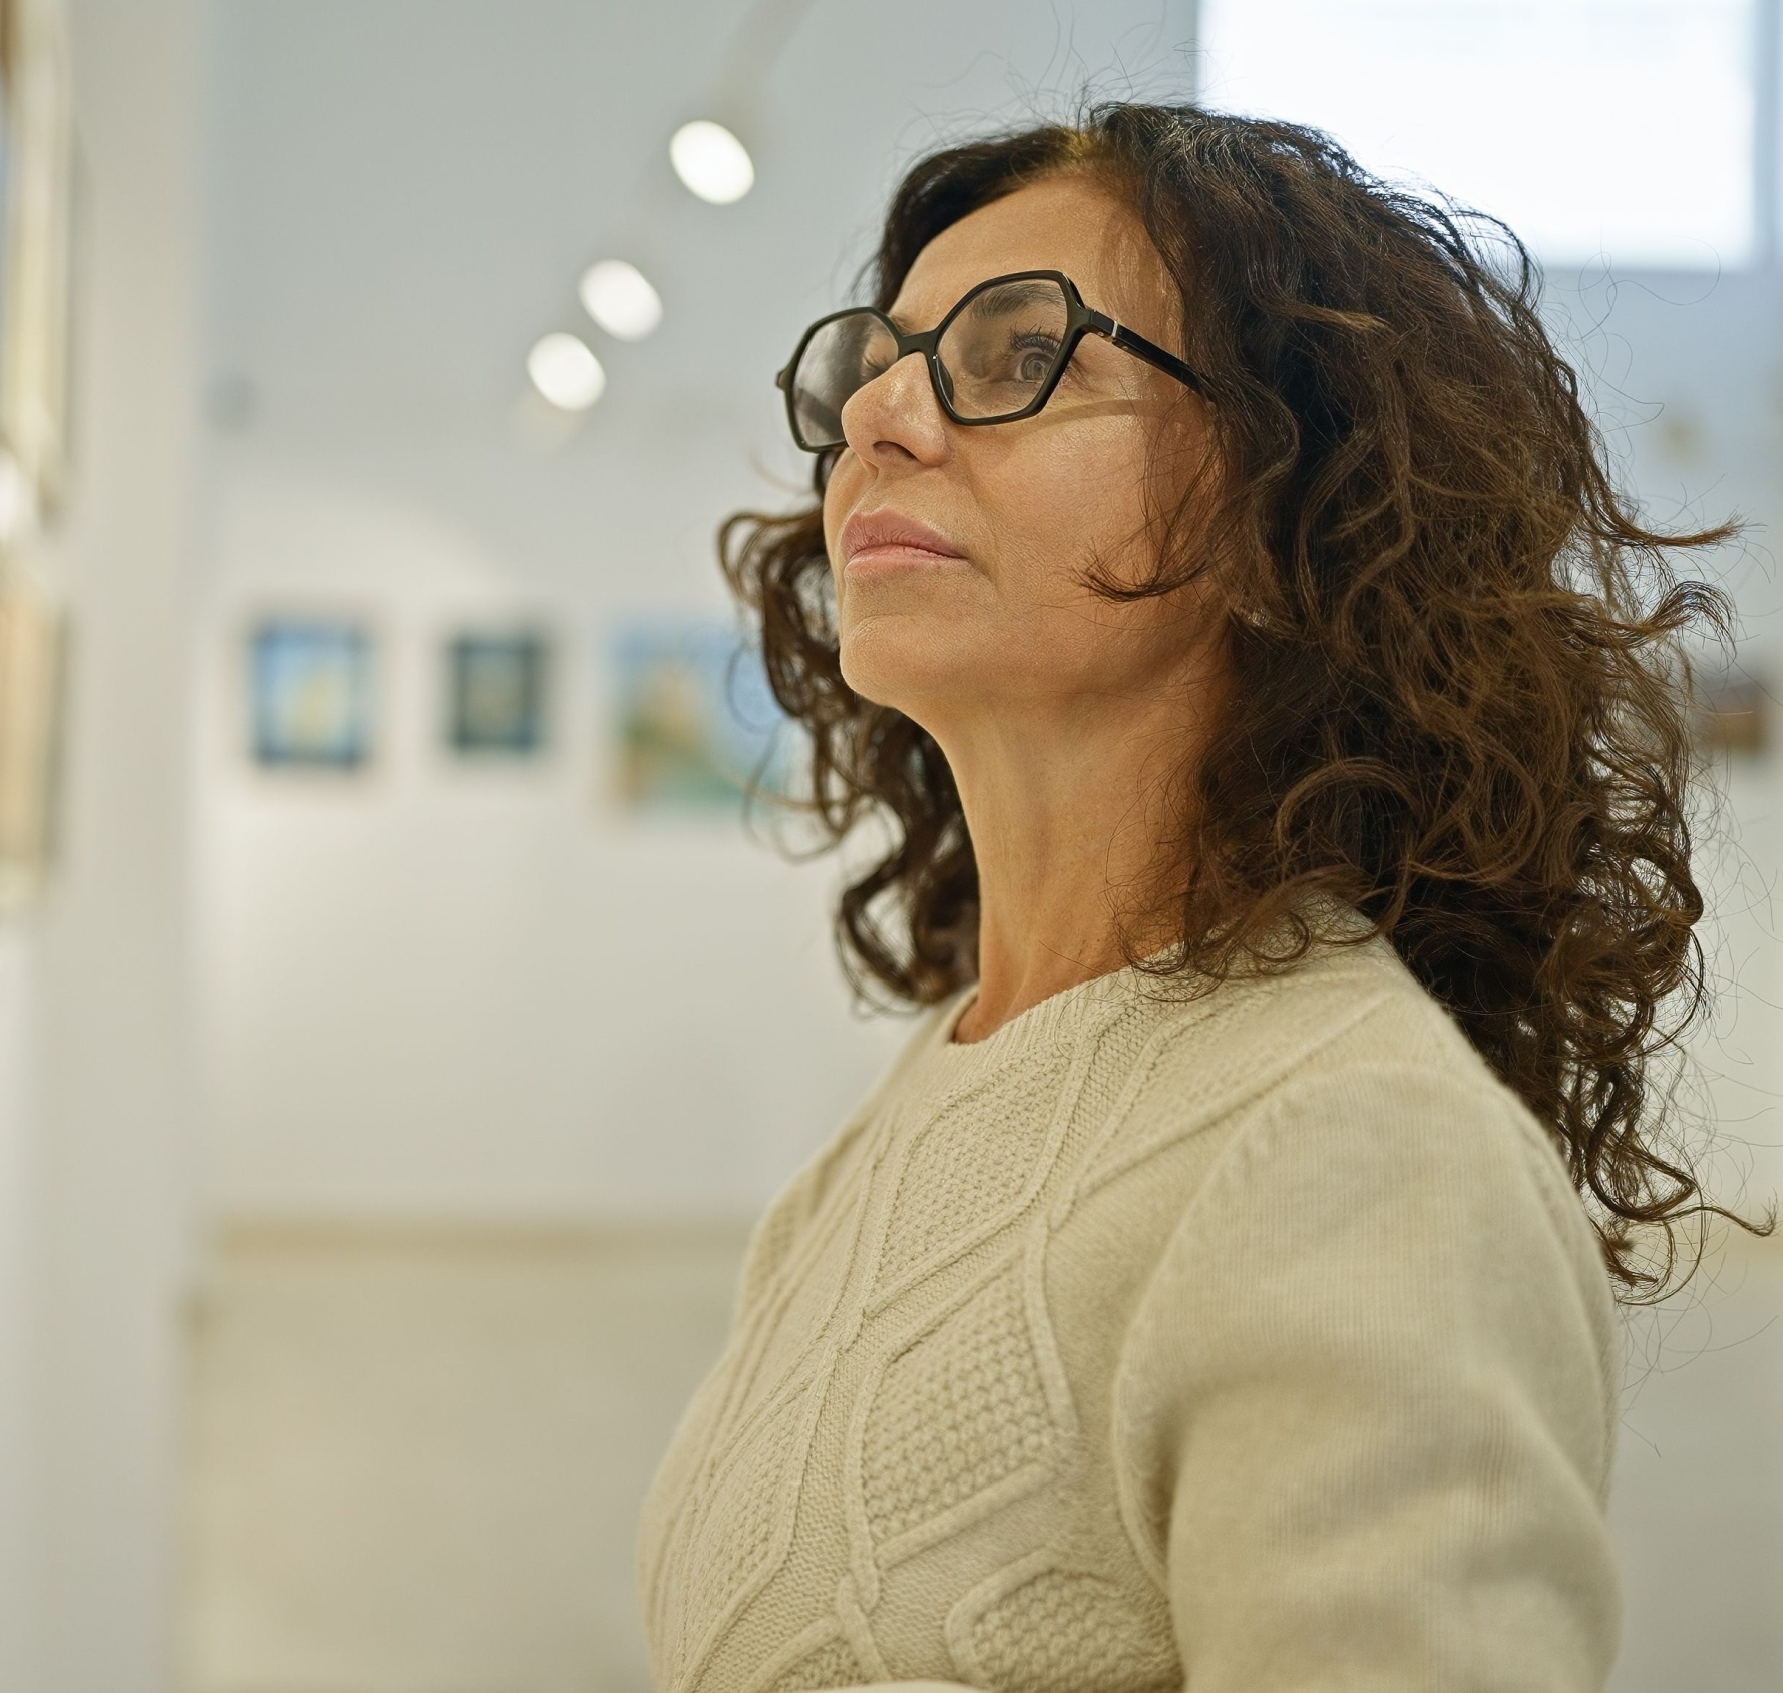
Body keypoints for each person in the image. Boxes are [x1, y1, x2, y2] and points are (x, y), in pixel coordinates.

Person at [639, 102, 1761, 1693]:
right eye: (878, 361)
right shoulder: (945, 1087)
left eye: (1016, 352)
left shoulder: (1361, 1160)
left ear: (1278, 508)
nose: (882, 414)